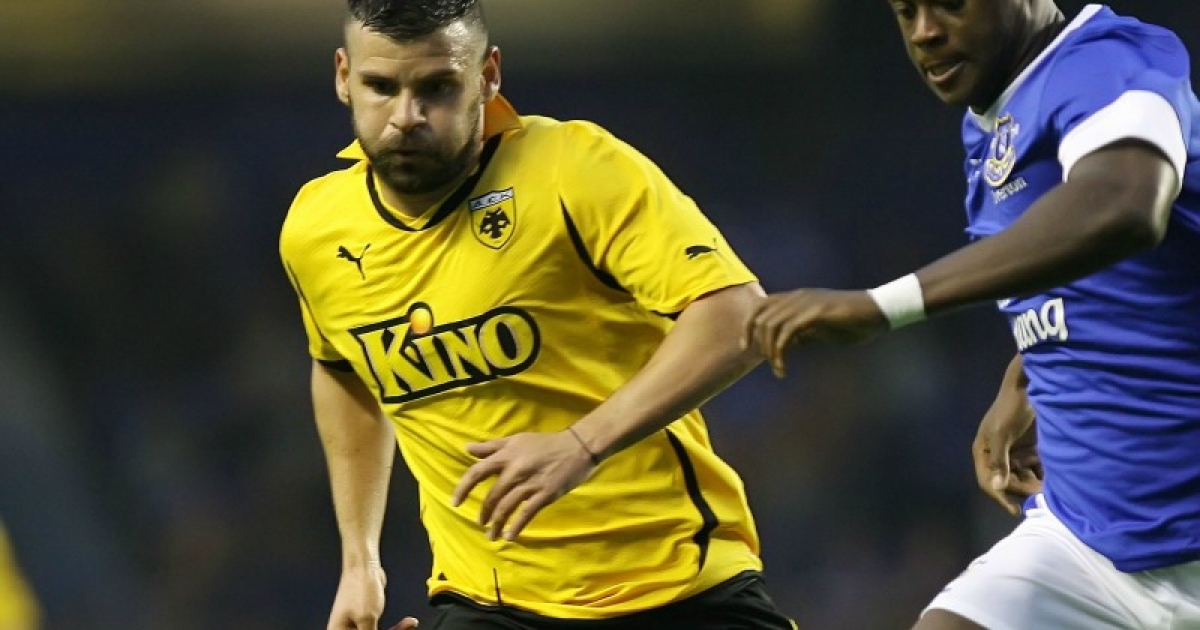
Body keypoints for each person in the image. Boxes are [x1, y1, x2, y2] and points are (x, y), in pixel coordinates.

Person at [279, 1, 798, 629]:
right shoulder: (316, 229)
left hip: (674, 584)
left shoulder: (573, 168)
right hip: (488, 602)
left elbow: (737, 316)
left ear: (487, 76)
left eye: (437, 88)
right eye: (381, 87)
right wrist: (360, 561)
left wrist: (582, 444)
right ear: (343, 76)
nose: (407, 116)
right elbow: (342, 368)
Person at [743, 1, 1200, 629]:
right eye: (906, 12)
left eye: (951, 4)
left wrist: (883, 305)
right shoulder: (992, 121)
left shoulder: (1107, 61)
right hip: (1085, 545)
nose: (926, 32)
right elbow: (1110, 274)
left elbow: (1124, 204)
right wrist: (1025, 377)